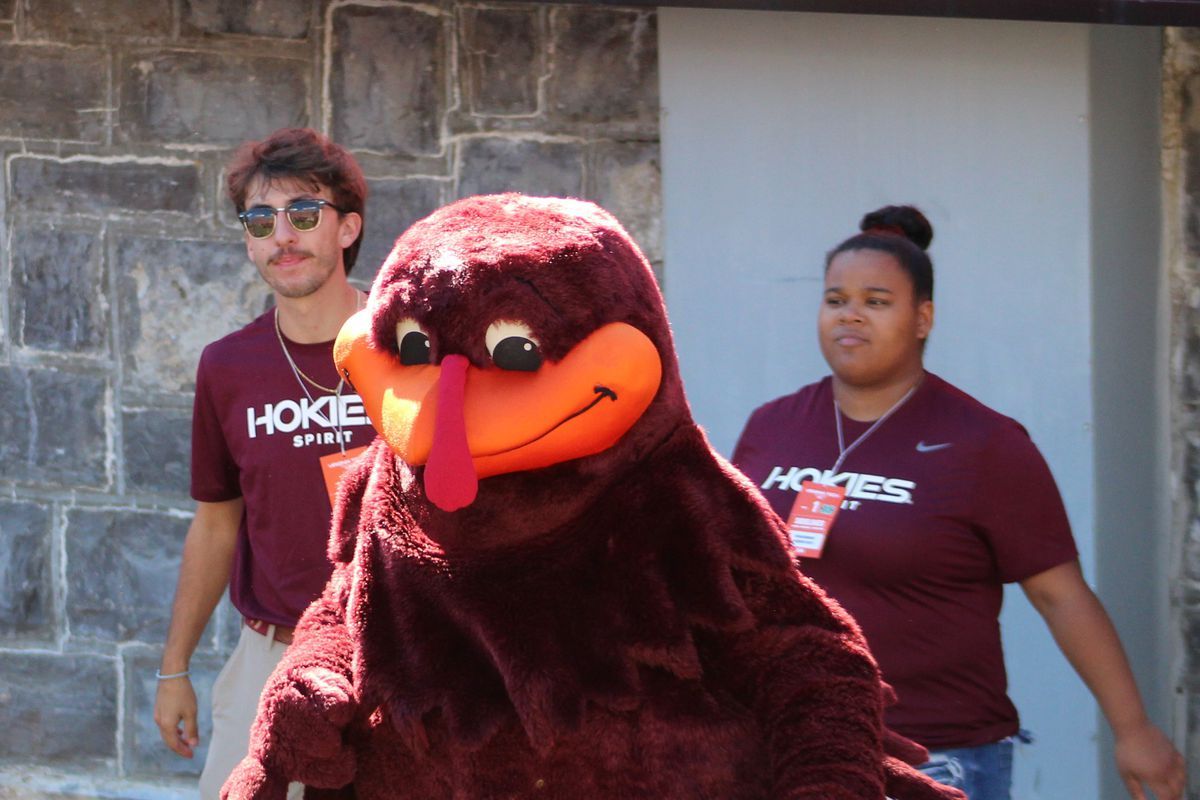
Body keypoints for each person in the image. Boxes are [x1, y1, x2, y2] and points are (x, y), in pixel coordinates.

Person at [731, 205, 1185, 800]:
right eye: (836, 298)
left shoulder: (984, 444)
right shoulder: (773, 426)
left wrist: (1134, 729)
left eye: (876, 300)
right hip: (790, 742)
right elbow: (731, 573)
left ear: (923, 319)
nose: (851, 316)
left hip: (935, 758)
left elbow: (1061, 596)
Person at [153, 127, 372, 800]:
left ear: (346, 228)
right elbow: (217, 524)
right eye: (261, 219)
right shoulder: (228, 368)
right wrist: (174, 668)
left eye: (304, 214)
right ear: (248, 240)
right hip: (272, 659)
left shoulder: (410, 344)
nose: (284, 235)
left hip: (402, 659)